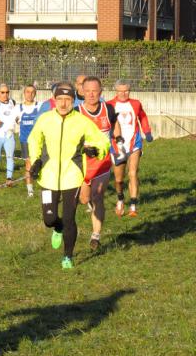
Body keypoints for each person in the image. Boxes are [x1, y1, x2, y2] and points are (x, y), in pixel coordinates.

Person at [28, 82, 110, 269]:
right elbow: (34, 140)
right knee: (49, 219)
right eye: (60, 99)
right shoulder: (45, 119)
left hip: (72, 178)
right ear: (54, 100)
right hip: (47, 177)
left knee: (68, 218)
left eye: (67, 100)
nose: (63, 103)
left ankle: (68, 256)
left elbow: (103, 142)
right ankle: (57, 228)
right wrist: (36, 160)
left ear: (73, 101)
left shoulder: (82, 121)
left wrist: (95, 150)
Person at [76, 76, 121, 250]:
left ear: (101, 92)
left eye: (95, 91)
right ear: (82, 92)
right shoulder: (77, 113)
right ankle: (89, 205)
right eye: (87, 91)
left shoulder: (108, 109)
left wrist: (118, 137)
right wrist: (83, 148)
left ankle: (96, 235)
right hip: (83, 163)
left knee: (98, 195)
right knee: (84, 198)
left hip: (102, 162)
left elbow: (114, 123)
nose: (91, 94)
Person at [107, 79, 153, 217]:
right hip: (117, 146)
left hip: (134, 143)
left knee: (133, 173)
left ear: (130, 90)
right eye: (120, 91)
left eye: (126, 91)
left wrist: (147, 132)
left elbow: (143, 117)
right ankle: (120, 199)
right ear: (116, 91)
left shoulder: (136, 104)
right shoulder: (109, 105)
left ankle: (133, 206)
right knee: (118, 180)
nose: (123, 93)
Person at [13, 84, 40, 196]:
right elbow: (13, 120)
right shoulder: (18, 108)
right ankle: (30, 190)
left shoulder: (40, 106)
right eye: (27, 92)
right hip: (25, 140)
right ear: (24, 94)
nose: (30, 94)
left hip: (39, 140)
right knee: (28, 164)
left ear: (35, 93)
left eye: (32, 92)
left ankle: (46, 188)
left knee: (41, 163)